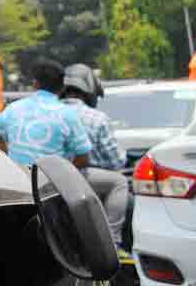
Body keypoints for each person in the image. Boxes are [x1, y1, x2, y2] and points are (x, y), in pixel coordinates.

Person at [62, 63, 129, 250]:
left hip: (48, 178)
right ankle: (112, 243)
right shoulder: (96, 117)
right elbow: (115, 161)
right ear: (90, 90)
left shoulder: (51, 113)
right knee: (120, 182)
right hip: (82, 178)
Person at [0, 59, 92, 168]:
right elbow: (83, 157)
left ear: (35, 84)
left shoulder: (15, 108)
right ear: (63, 87)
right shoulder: (68, 114)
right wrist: (63, 175)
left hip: (18, 181)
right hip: (51, 183)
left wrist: (8, 159)